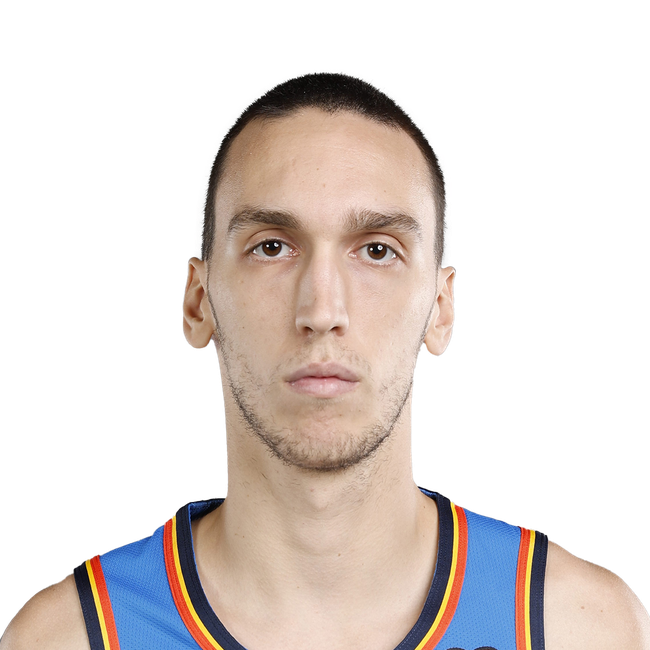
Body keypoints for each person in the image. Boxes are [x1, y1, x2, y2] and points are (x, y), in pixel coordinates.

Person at [2, 72, 649, 650]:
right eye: (272, 246)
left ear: (441, 310)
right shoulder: (67, 639)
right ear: (198, 304)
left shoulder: (579, 629)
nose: (322, 309)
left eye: (377, 250)